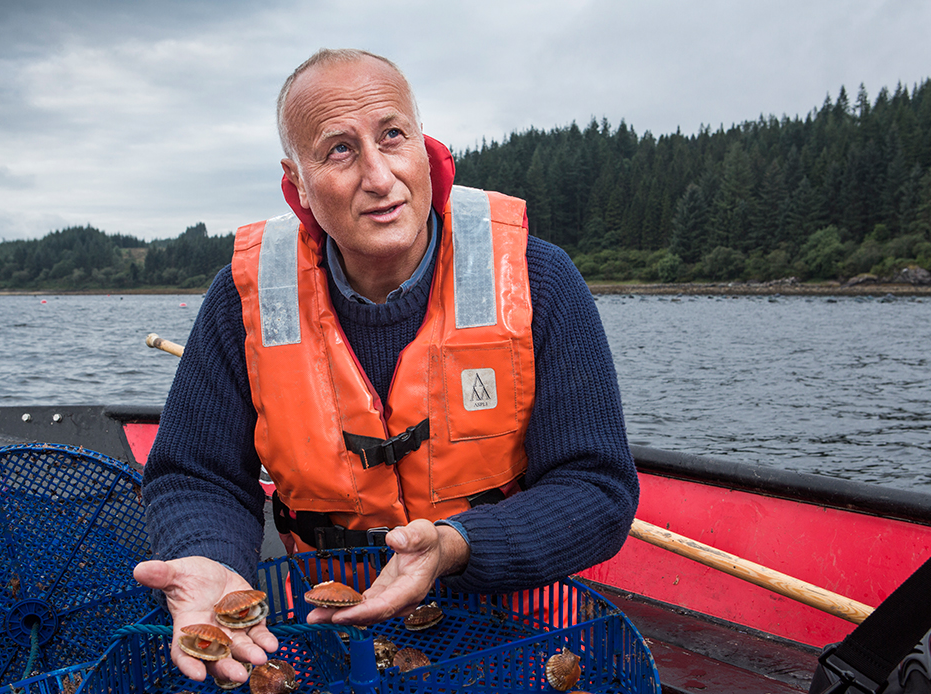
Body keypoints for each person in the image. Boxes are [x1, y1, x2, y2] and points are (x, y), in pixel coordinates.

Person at [134, 48, 639, 685]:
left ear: (425, 150)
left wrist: (456, 545)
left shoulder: (540, 280)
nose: (379, 175)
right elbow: (193, 473)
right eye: (339, 150)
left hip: (508, 627)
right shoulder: (246, 300)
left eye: (393, 136)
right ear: (299, 189)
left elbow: (598, 491)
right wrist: (209, 559)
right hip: (327, 631)